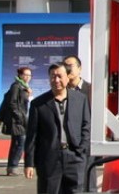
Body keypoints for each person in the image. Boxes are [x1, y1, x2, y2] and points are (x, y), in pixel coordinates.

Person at [25, 62, 90, 194]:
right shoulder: (38, 104)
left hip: (74, 157)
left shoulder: (80, 99)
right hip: (49, 159)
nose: (56, 80)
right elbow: (32, 135)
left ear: (67, 77)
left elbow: (86, 126)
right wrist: (29, 163)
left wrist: (81, 150)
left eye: (60, 76)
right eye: (53, 76)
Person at [64, 55, 96, 191]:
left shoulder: (91, 90)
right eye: (65, 66)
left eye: (70, 66)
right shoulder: (62, 91)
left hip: (86, 141)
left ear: (79, 68)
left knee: (88, 180)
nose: (68, 69)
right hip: (67, 144)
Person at [4, 66, 33, 176]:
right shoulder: (16, 86)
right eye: (26, 75)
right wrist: (19, 117)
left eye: (29, 75)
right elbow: (12, 103)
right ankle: (12, 167)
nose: (28, 77)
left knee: (18, 142)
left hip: (21, 118)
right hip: (17, 120)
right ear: (20, 75)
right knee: (19, 143)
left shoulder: (24, 87)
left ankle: (12, 167)